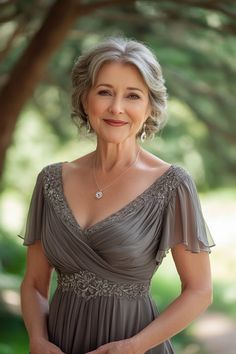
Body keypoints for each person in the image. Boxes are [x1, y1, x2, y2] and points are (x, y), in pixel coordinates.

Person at [20, 37, 215, 354]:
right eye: (105, 92)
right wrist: (38, 340)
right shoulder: (50, 180)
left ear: (149, 107)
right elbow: (33, 284)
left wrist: (135, 346)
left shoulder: (173, 184)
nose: (116, 108)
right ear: (86, 100)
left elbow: (199, 290)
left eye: (133, 96)